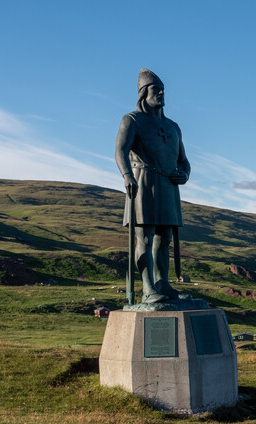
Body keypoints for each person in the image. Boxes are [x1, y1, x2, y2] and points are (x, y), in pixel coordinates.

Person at [115, 69, 190, 304]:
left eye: (162, 90)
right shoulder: (132, 120)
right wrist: (127, 175)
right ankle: (148, 288)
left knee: (164, 238)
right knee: (144, 238)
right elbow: (120, 150)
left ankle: (162, 284)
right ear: (143, 93)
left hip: (167, 184)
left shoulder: (173, 127)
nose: (160, 93)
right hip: (143, 182)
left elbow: (183, 160)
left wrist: (185, 173)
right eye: (155, 89)